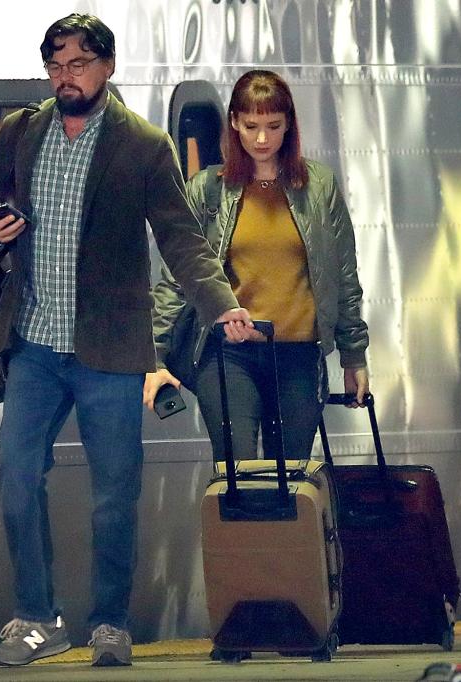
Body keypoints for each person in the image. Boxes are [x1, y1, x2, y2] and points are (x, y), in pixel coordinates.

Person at [0, 14, 256, 668]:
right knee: (15, 478)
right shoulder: (22, 133)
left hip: (110, 351)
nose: (64, 78)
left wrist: (221, 307)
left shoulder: (145, 145)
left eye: (76, 65)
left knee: (114, 494)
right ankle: (38, 619)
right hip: (35, 344)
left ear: (105, 67)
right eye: (55, 66)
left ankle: (108, 624)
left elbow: (182, 239)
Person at [146, 70, 369, 463]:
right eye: (251, 126)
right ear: (234, 122)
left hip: (299, 354)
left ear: (289, 126)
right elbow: (177, 280)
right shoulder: (208, 188)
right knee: (238, 472)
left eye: (273, 126)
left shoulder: (318, 186)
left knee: (293, 476)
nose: (262, 139)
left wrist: (354, 358)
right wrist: (155, 357)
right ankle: (239, 523)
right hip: (230, 353)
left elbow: (344, 275)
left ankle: (287, 529)